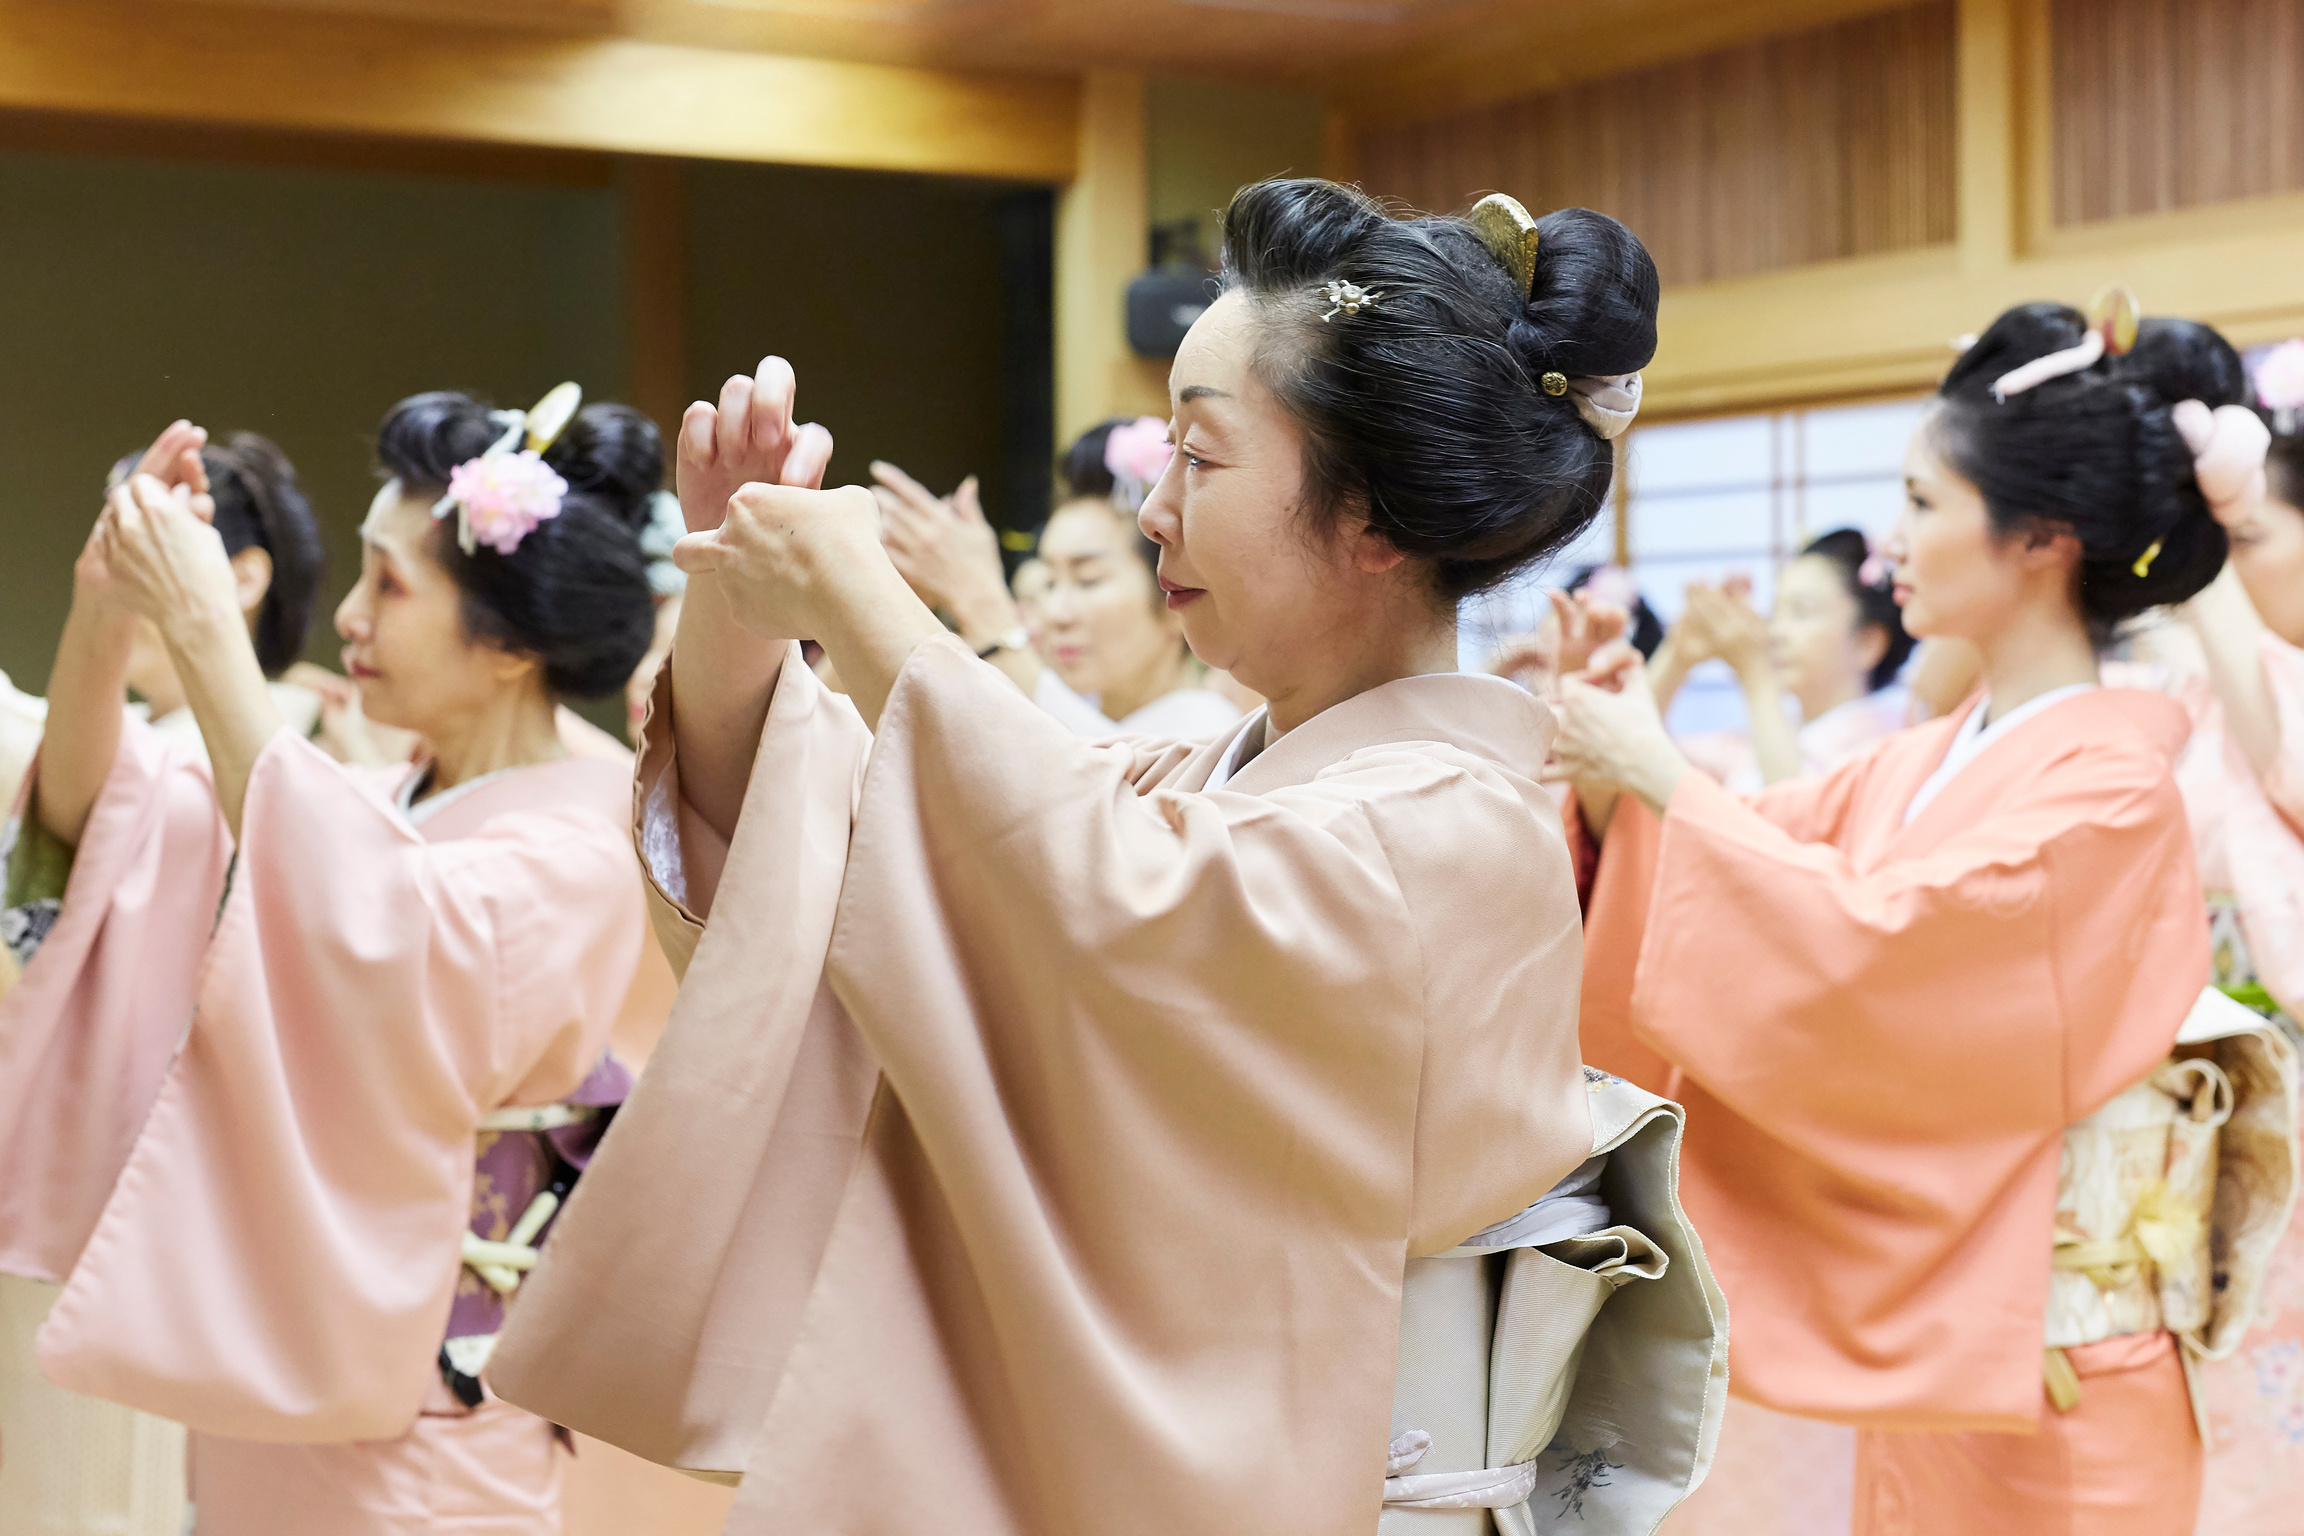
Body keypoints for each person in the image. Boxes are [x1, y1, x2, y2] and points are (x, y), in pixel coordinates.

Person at [489, 180, 1725, 1536]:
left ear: (1372, 520)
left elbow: (1117, 899)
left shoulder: (1447, 825)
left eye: (1201, 460)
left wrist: (866, 605)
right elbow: (859, 860)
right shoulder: (1194, 787)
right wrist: (736, 604)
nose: (1157, 517)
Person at [1555, 300, 2277, 1533]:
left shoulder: (2112, 787)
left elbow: (1883, 948)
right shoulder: (1926, 759)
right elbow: (1757, 845)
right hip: (1950, 1371)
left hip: (2067, 1381)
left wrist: (1662, 781)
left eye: (1925, 504)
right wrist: (1618, 761)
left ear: (2040, 538)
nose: (1892, 543)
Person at [0, 385, 667, 1533]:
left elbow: (374, 927)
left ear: (507, 641)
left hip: (432, 1417)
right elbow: (116, 821)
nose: (349, 617)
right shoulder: (381, 799)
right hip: (283, 1374)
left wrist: (211, 632)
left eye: (391, 585)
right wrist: (104, 617)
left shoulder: (585, 830)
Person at [873, 419, 1243, 738]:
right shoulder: (1070, 707)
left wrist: (977, 598)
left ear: (1172, 597)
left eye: (1088, 580)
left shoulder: (1206, 728)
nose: (1055, 614)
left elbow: (1090, 772)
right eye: (1049, 582)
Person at [1657, 529, 1916, 792]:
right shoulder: (1762, 736)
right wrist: (1679, 654)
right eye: (1776, 612)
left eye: (1800, 612)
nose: (1776, 632)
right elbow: (1642, 754)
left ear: (1866, 643)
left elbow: (1796, 813)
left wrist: (1756, 676)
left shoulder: (1886, 746)